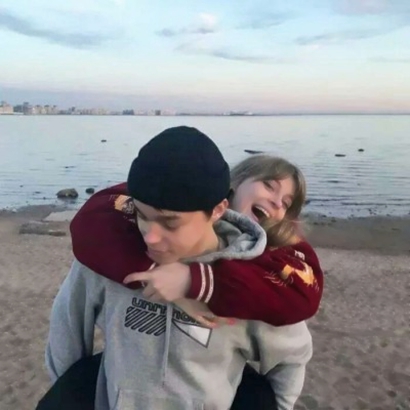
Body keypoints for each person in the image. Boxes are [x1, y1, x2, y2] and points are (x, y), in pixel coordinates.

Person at [43, 126, 322, 410]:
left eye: (170, 222)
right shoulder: (108, 252)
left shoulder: (254, 280)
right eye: (142, 215)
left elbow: (291, 357)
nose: (150, 236)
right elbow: (68, 321)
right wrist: (67, 392)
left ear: (217, 210)